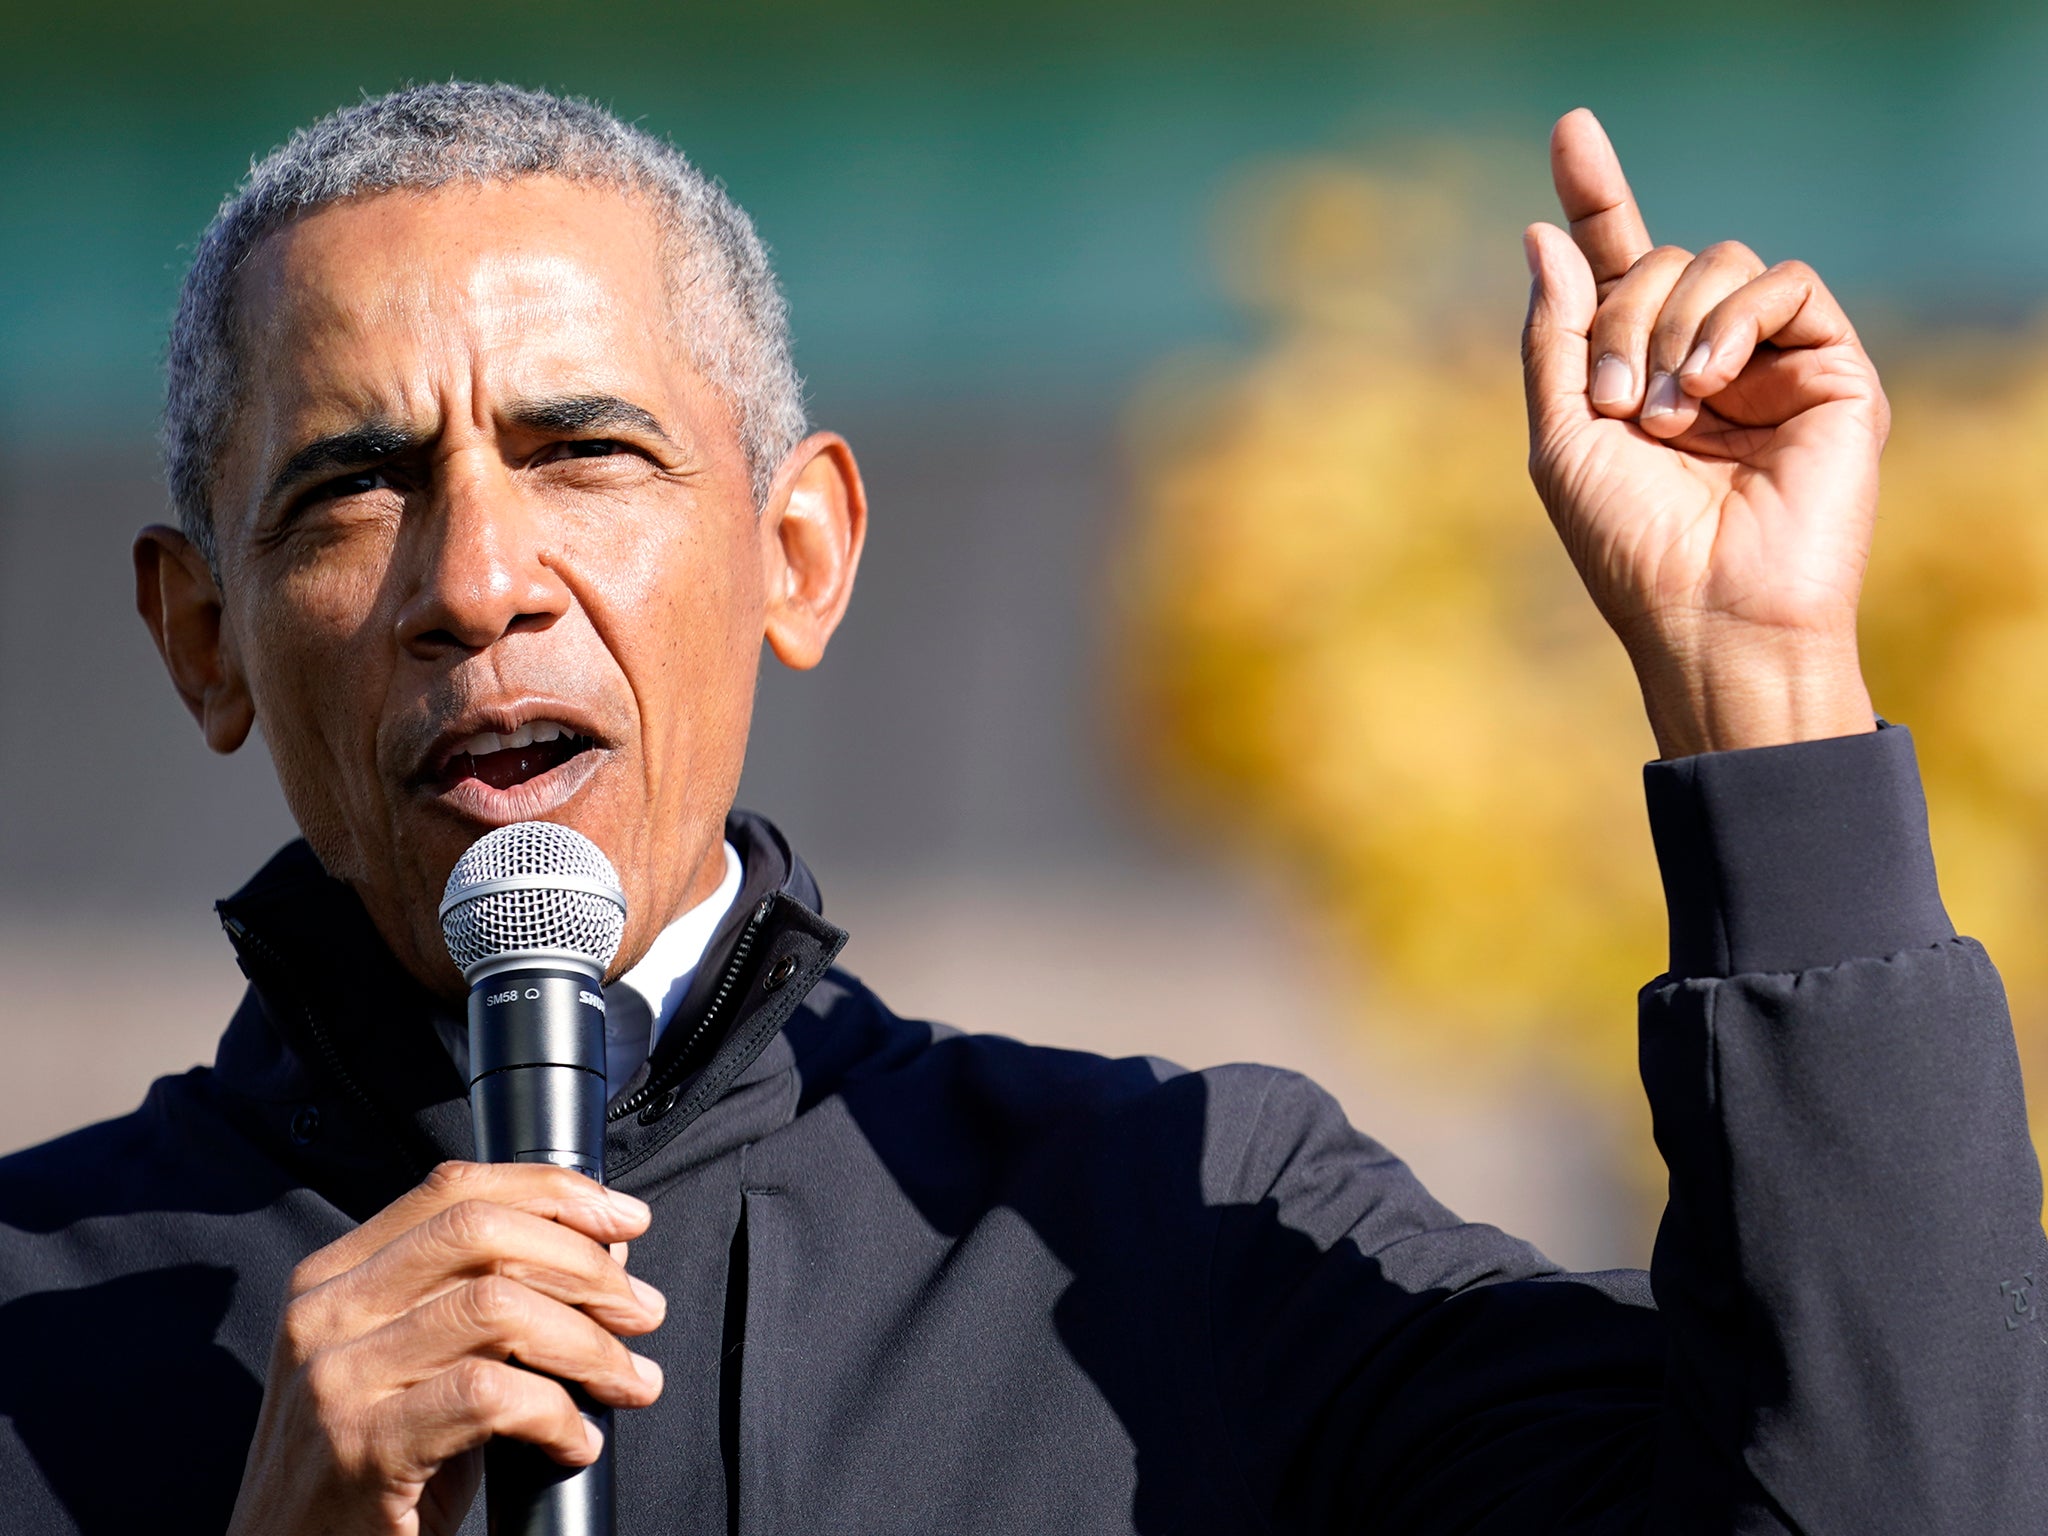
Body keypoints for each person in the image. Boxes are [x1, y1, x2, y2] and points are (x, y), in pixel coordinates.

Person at [0, 81, 2040, 1535]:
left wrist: (1756, 681)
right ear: (204, 638)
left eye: (586, 452)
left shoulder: (1178, 1232)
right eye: (353, 487)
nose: (476, 579)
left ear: (798, 555)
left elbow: (1892, 1497)